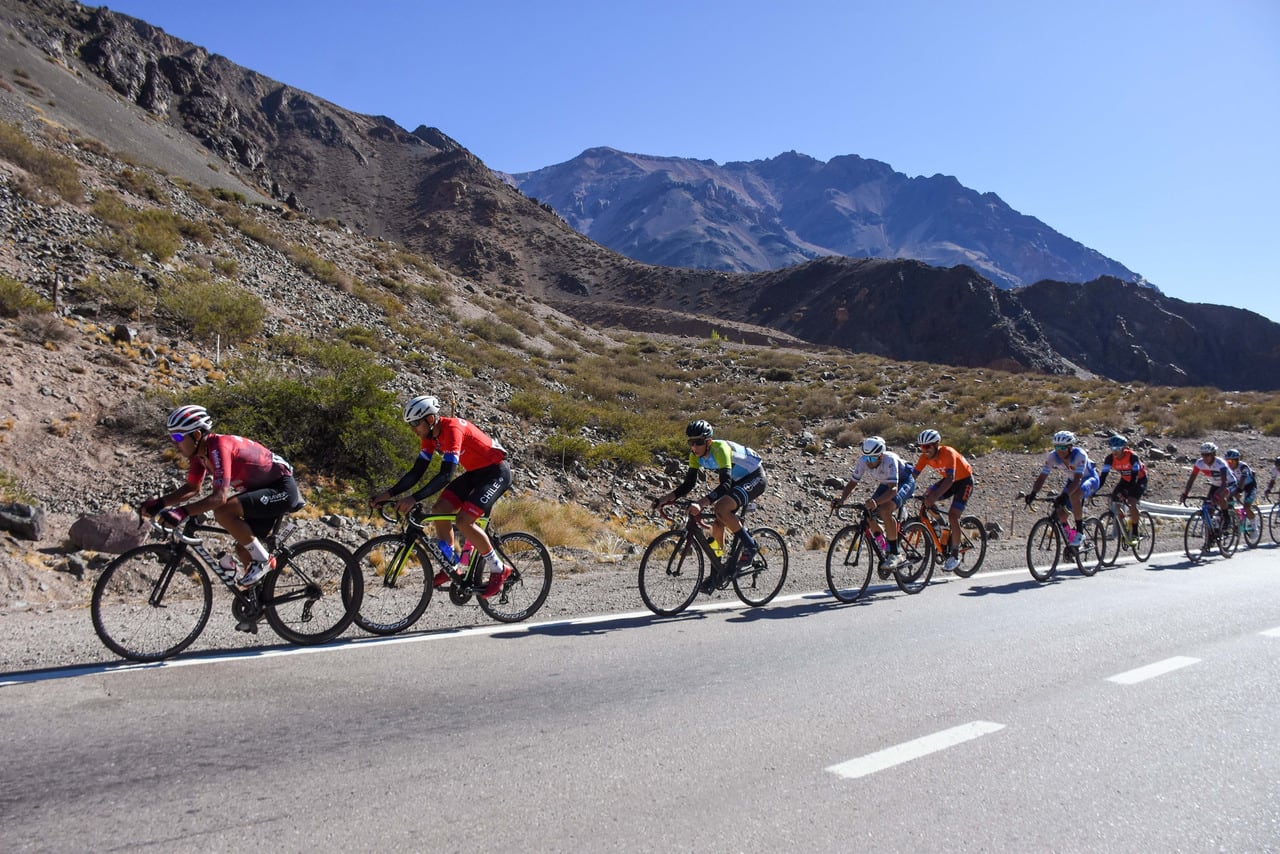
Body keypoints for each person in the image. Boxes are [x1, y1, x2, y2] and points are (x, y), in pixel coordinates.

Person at [142, 405, 302, 590]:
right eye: (172, 437)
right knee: (244, 548)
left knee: (223, 511)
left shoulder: (219, 447)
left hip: (281, 488)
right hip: (261, 491)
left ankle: (265, 560)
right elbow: (192, 488)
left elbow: (219, 497)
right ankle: (256, 606)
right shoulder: (199, 455)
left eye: (178, 437)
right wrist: (160, 503)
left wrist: (182, 512)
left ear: (196, 435)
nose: (174, 443)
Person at [370, 395, 513, 599]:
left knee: (463, 521)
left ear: (430, 419)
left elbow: (446, 475)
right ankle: (452, 565)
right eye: (410, 425)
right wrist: (388, 494)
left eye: (416, 424)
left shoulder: (452, 429)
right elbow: (416, 471)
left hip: (496, 473)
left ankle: (499, 569)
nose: (413, 429)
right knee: (439, 509)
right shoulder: (429, 438)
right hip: (475, 473)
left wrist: (414, 498)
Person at [653, 420, 766, 587]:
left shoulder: (720, 449)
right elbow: (688, 485)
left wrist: (701, 503)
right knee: (717, 525)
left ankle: (751, 546)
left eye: (698, 442)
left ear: (709, 442)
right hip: (737, 480)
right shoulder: (694, 456)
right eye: (691, 442)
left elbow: (725, 485)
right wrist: (665, 498)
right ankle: (718, 573)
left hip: (754, 476)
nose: (694, 447)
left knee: (721, 508)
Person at [832, 436, 915, 570]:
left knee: (884, 510)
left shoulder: (890, 459)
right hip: (886, 483)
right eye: (866, 457)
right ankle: (885, 546)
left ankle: (896, 554)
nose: (868, 462)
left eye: (871, 458)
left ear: (881, 456)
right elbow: (852, 483)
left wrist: (876, 502)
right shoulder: (863, 460)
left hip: (903, 482)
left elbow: (893, 490)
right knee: (868, 513)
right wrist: (841, 500)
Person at [1023, 430, 1100, 547]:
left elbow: (1078, 480)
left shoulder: (1080, 454)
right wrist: (1033, 493)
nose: (1060, 451)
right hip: (1072, 481)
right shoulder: (1052, 456)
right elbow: (1042, 478)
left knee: (1074, 495)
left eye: (1063, 448)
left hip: (1089, 479)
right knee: (1060, 513)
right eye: (1057, 447)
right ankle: (1071, 536)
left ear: (1070, 447)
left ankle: (1079, 532)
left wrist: (1065, 495)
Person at [912, 429, 973, 572]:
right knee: (926, 497)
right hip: (949, 481)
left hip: (964, 482)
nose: (924, 450)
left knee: (953, 515)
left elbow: (951, 479)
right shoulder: (924, 457)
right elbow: (912, 477)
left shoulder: (948, 452)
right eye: (921, 447)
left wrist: (934, 497)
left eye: (927, 446)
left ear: (936, 444)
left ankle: (955, 555)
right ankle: (942, 525)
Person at [1097, 434, 1148, 545]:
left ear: (1124, 448)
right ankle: (1125, 527)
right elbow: (1102, 478)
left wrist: (1125, 493)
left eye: (1117, 448)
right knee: (1115, 502)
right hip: (1125, 479)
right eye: (1112, 448)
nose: (1114, 451)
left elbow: (1134, 478)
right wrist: (1094, 491)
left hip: (1139, 480)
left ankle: (1134, 532)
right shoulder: (1109, 459)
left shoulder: (1132, 457)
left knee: (1131, 501)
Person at [1179, 441, 1237, 515]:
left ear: (1213, 454)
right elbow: (1191, 480)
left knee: (1220, 497)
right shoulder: (1199, 463)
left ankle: (1226, 518)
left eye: (1207, 455)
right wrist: (1185, 493)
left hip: (1230, 484)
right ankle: (1211, 525)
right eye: (1203, 454)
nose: (1204, 457)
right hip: (1216, 485)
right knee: (1209, 508)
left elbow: (1224, 483)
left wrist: (1218, 494)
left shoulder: (1221, 464)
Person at [1224, 449, 1259, 533]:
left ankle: (1254, 528)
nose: (1229, 463)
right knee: (1226, 497)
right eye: (1227, 461)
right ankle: (1233, 517)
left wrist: (1238, 491)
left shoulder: (1243, 466)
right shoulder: (1226, 468)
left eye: (1231, 461)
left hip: (1249, 485)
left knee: (1246, 507)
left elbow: (1243, 479)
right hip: (1237, 485)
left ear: (1237, 460)